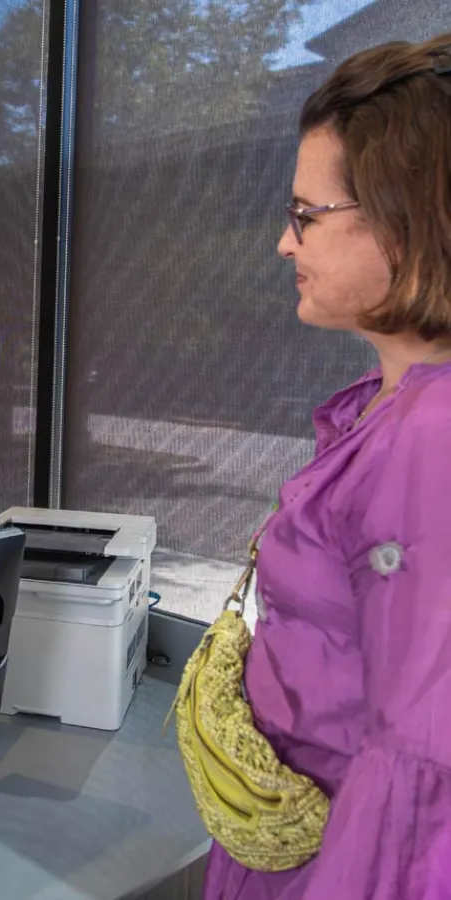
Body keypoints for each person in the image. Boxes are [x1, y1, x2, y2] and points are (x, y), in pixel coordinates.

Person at [202, 34, 451, 900]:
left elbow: (417, 779)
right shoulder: (374, 407)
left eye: (306, 215)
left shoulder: (432, 438)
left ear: (410, 216)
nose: (283, 242)